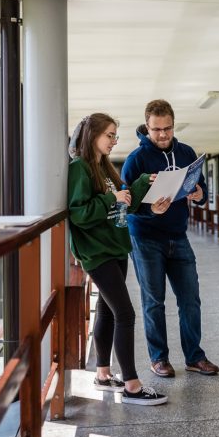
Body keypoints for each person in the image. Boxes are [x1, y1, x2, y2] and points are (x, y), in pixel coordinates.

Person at [67, 113, 167, 406]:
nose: (113, 141)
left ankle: (102, 374)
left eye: (115, 136)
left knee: (108, 311)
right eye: (109, 135)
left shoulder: (104, 168)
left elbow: (124, 205)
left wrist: (140, 185)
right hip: (97, 252)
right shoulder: (79, 169)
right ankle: (132, 386)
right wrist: (113, 199)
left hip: (115, 247)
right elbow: (79, 213)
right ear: (93, 135)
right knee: (126, 314)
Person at [121, 99, 219, 378]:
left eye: (167, 128)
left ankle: (194, 356)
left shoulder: (186, 152)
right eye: (156, 130)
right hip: (145, 239)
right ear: (146, 128)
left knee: (190, 299)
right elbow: (125, 205)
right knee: (154, 301)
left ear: (173, 125)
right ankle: (159, 358)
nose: (163, 135)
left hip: (179, 236)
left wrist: (200, 196)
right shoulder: (135, 160)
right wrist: (150, 210)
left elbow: (202, 191)